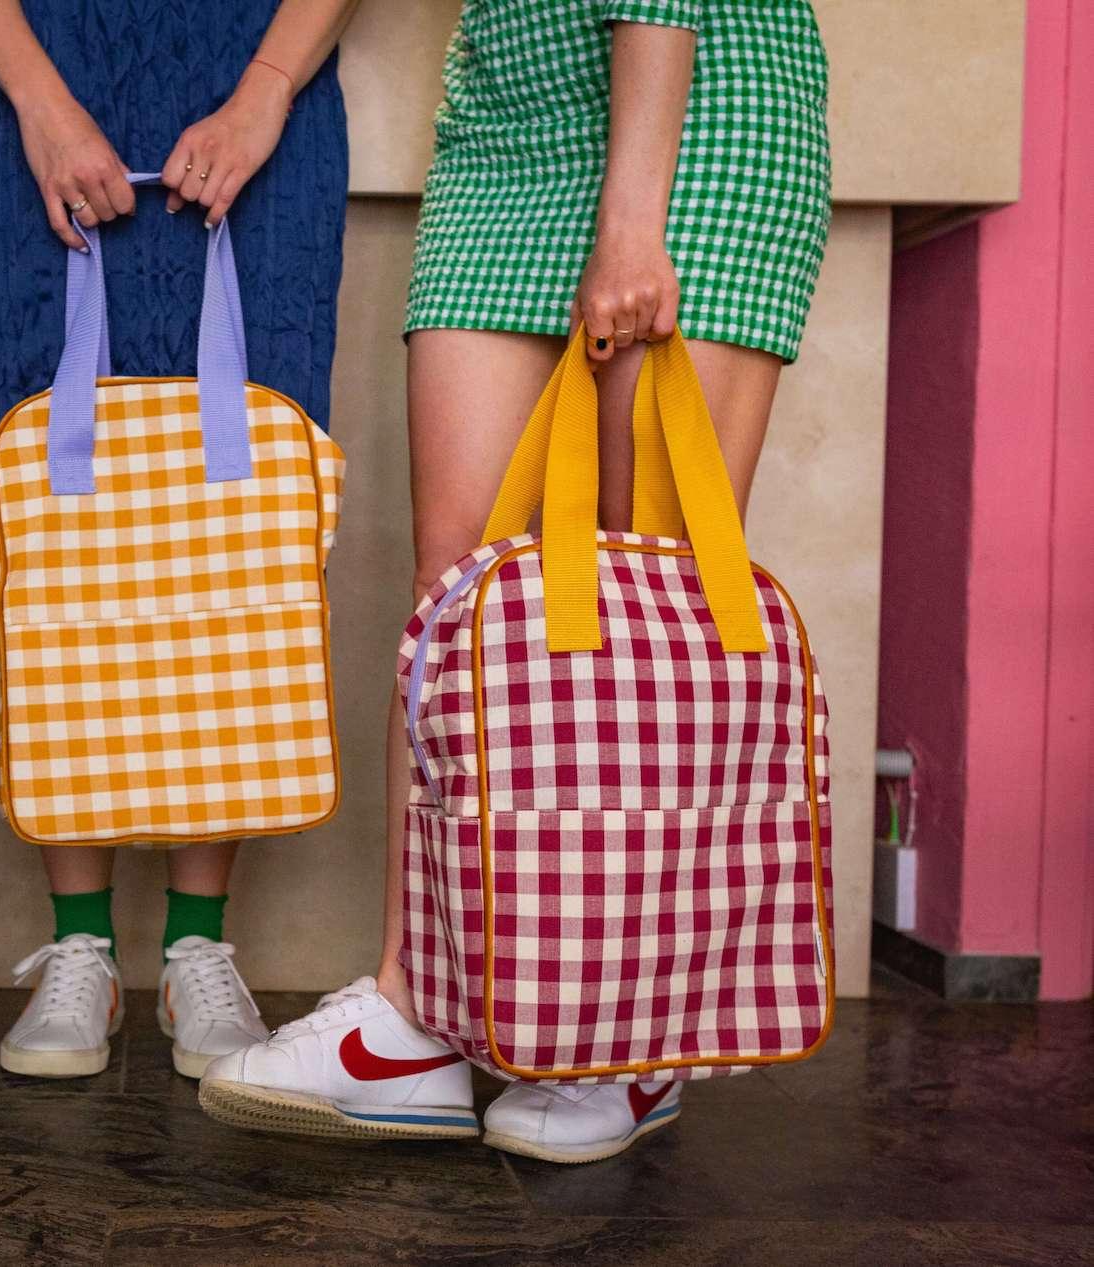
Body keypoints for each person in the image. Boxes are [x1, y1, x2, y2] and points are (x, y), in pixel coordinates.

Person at [200, 0, 832, 1158]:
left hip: (692, 108)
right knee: (454, 599)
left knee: (644, 588)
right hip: (505, 118)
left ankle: (631, 1038)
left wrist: (632, 218)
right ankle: (420, 1015)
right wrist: (266, 83)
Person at [0, 0, 359, 1079]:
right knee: (56, 535)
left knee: (239, 533)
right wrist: (38, 102)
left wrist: (266, 91)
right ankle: (80, 943)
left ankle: (194, 949)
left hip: (265, 98)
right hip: (48, 81)